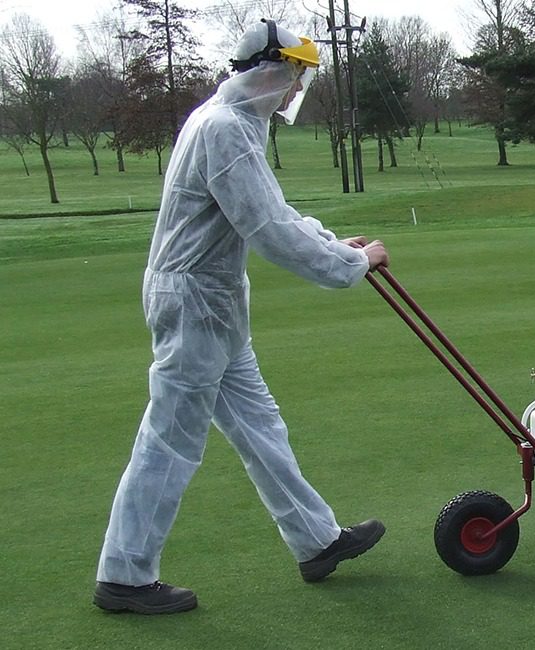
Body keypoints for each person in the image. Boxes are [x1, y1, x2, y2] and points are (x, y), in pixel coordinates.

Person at [93, 20, 387, 615]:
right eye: (294, 77)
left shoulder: (234, 125)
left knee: (261, 428)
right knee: (170, 440)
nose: (292, 91)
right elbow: (268, 230)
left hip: (215, 305)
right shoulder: (224, 129)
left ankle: (316, 540)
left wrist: (337, 245)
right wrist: (349, 267)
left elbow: (272, 210)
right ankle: (123, 576)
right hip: (195, 303)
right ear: (269, 70)